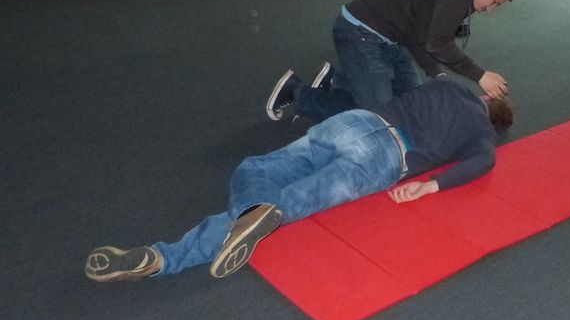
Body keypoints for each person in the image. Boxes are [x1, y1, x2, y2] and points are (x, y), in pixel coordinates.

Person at [85, 78, 514, 282]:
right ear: (494, 122)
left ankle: (164, 255)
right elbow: (483, 163)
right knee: (289, 202)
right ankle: (165, 257)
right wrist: (431, 185)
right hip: (383, 158)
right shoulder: (482, 133)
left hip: (355, 123)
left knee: (254, 169)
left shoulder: (449, 86)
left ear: (486, 98)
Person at [267, 0, 514, 123]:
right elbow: (438, 43)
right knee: (379, 118)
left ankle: (340, 80)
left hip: (391, 40)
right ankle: (298, 94)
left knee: (414, 104)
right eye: (495, 2)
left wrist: (436, 73)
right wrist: (480, 75)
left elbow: (420, 37)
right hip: (359, 34)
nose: (490, 10)